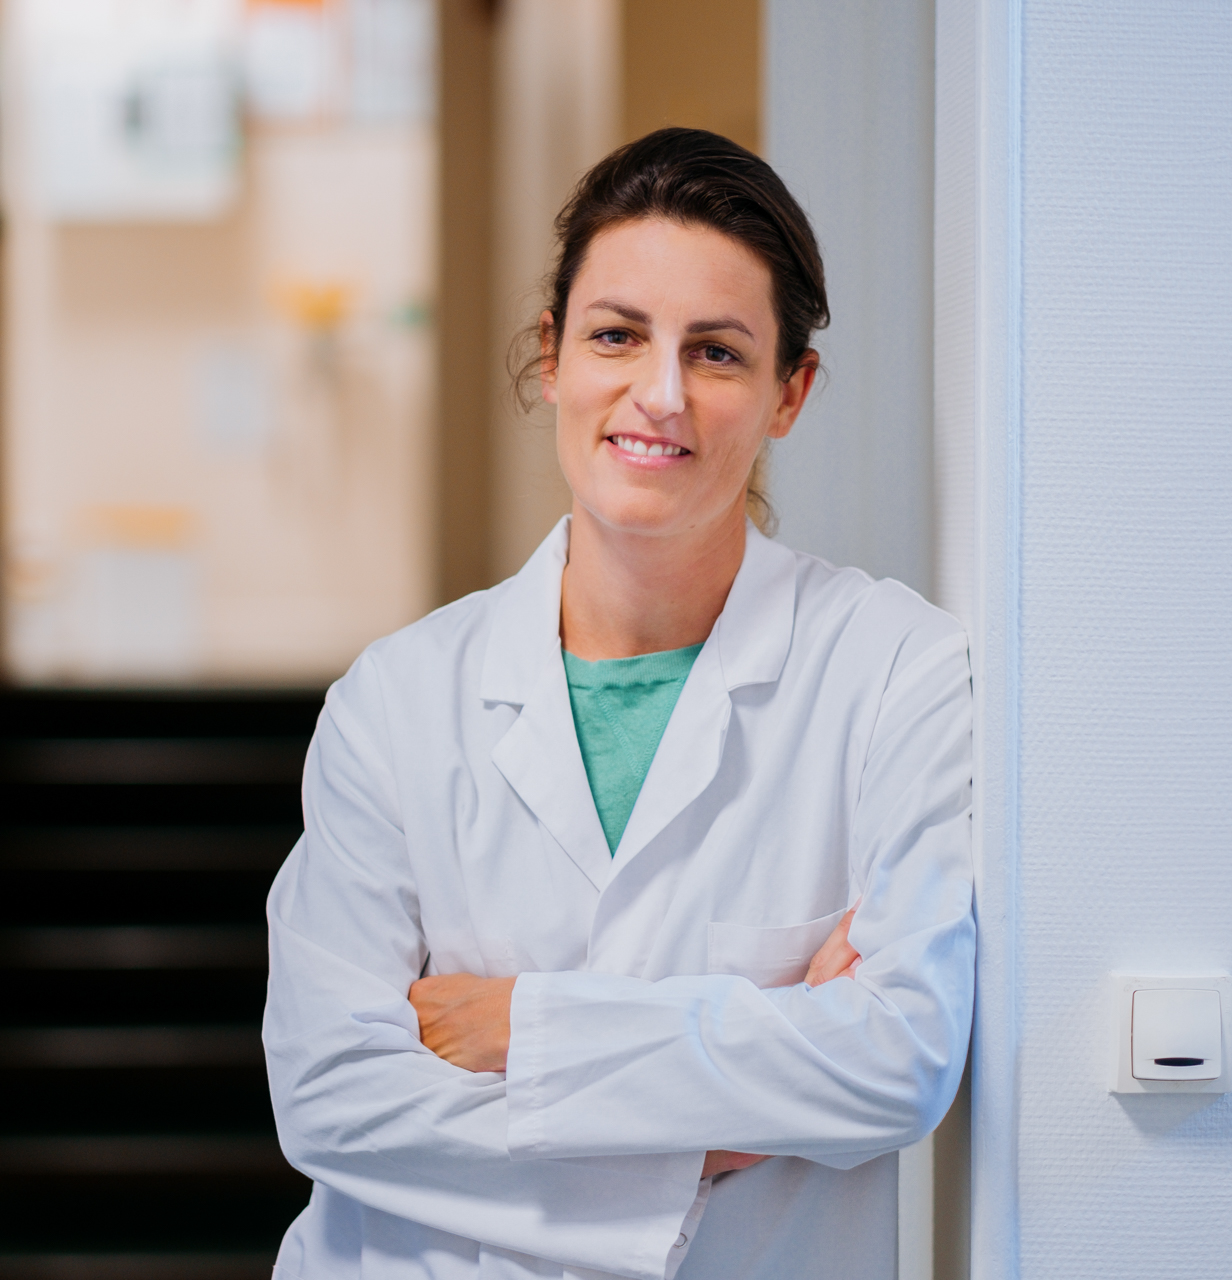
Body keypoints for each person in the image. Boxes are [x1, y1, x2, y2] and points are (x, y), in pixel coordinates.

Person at [263, 128, 973, 1280]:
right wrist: (713, 1128)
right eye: (616, 335)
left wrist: (523, 1030)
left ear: (790, 392)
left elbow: (899, 1054)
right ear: (551, 355)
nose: (660, 393)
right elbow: (332, 1096)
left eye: (720, 352)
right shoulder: (395, 702)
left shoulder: (897, 672)